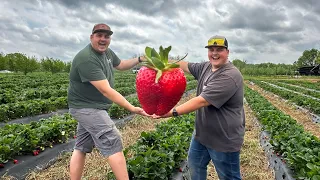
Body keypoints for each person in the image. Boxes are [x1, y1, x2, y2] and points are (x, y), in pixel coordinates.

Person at [154, 35, 245, 180]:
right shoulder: (206, 67)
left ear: (227, 52)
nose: (214, 53)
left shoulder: (230, 75)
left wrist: (171, 112)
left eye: (219, 50)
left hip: (223, 139)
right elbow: (185, 65)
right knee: (194, 168)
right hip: (201, 135)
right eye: (211, 50)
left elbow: (201, 101)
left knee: (229, 177)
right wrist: (165, 63)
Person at [67, 23, 149, 180]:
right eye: (99, 35)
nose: (103, 39)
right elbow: (106, 90)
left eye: (107, 36)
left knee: (81, 147)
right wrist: (131, 107)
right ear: (91, 37)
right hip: (87, 108)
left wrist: (140, 59)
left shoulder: (107, 53)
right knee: (112, 140)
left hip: (91, 106)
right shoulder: (86, 59)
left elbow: (121, 65)